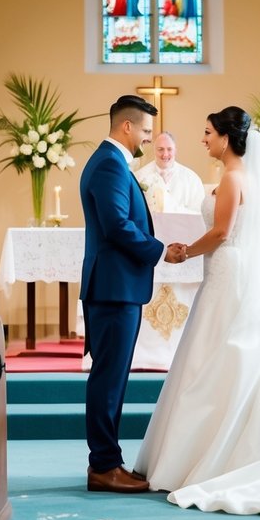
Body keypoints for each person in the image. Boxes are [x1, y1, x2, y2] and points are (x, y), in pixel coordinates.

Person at [134, 106, 260, 515]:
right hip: (234, 271)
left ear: (227, 137)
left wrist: (185, 253)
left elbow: (222, 232)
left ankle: (215, 456)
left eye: (208, 133)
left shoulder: (231, 178)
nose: (204, 139)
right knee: (226, 353)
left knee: (215, 354)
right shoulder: (248, 178)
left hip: (228, 270)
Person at [79, 96, 186, 494]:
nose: (146, 138)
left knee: (113, 376)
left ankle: (108, 461)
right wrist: (159, 251)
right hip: (113, 288)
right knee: (108, 378)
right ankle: (103, 465)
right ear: (127, 127)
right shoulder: (109, 163)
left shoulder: (111, 162)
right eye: (144, 130)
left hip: (116, 285)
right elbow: (117, 225)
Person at [135, 132, 206, 213]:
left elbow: (199, 214)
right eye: (160, 149)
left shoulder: (192, 179)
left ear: (175, 150)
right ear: (154, 150)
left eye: (169, 149)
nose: (165, 154)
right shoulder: (139, 177)